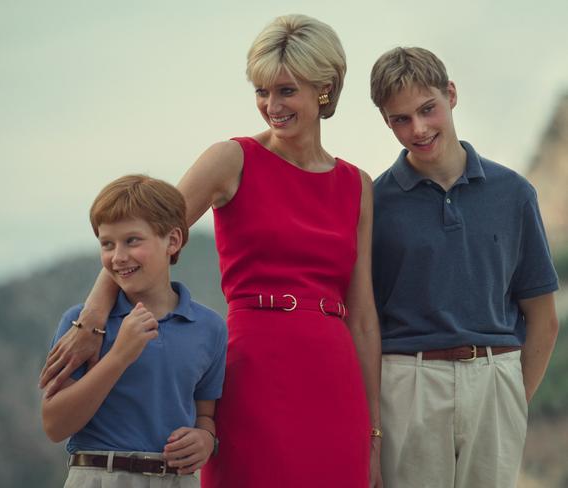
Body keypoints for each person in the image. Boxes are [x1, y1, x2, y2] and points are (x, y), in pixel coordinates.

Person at [41, 14, 382, 487]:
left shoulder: (357, 186)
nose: (271, 105)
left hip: (335, 379)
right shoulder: (232, 159)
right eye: (262, 91)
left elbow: (363, 318)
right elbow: (146, 236)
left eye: (286, 90)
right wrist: (93, 319)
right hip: (256, 370)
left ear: (324, 88)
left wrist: (373, 433)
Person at [370, 47, 559, 488]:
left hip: (496, 379)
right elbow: (365, 319)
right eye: (400, 119)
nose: (418, 129)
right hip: (407, 384)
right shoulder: (373, 203)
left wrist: (511, 397)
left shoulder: (514, 193)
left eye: (427, 109)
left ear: (451, 94)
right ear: (386, 121)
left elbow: (542, 319)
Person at [41, 174, 227, 488]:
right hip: (99, 477)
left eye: (132, 241)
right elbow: (55, 425)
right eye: (107, 244)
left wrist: (205, 439)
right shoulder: (82, 327)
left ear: (173, 241)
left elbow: (205, 414)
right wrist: (119, 357)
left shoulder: (209, 328)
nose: (118, 257)